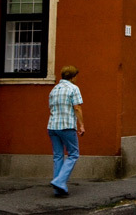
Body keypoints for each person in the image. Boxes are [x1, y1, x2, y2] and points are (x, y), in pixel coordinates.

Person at [47, 65, 85, 198]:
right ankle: (59, 181)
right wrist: (81, 125)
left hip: (52, 126)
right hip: (67, 126)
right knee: (73, 154)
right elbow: (77, 108)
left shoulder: (54, 89)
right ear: (73, 77)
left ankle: (58, 189)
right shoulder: (73, 88)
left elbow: (50, 108)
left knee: (58, 156)